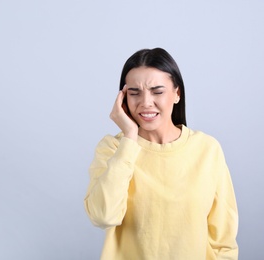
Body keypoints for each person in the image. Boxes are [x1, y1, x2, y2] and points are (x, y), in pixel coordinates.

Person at [84, 48, 238, 260]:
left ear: (177, 94)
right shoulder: (112, 148)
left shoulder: (207, 149)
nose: (146, 102)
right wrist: (129, 137)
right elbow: (103, 216)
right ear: (123, 98)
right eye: (134, 93)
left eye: (157, 91)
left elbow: (223, 241)